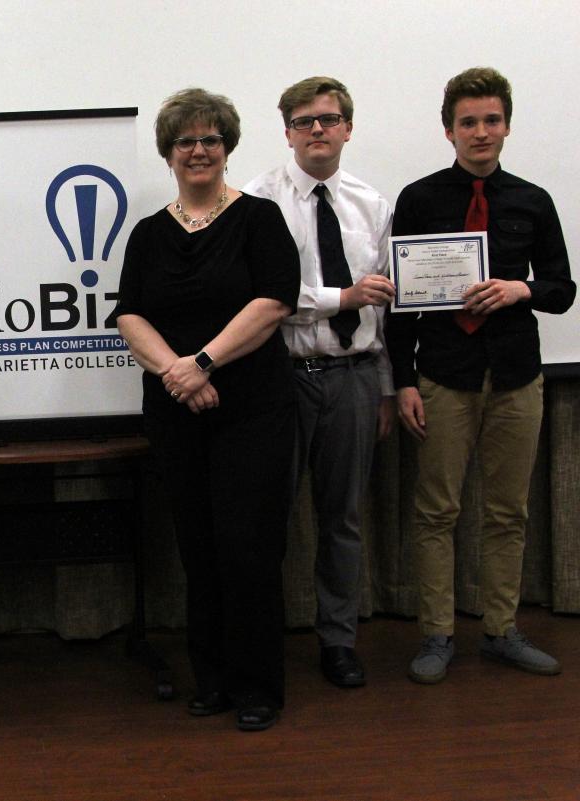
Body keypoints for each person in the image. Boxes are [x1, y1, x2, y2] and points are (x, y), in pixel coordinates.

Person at [115, 89, 299, 732]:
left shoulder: (259, 220)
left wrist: (204, 364)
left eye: (211, 139)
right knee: (199, 551)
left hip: (253, 411)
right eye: (186, 140)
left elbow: (275, 302)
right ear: (169, 151)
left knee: (248, 550)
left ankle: (258, 688)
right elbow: (128, 315)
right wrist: (177, 372)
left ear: (228, 148)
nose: (199, 149)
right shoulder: (146, 233)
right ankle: (213, 679)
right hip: (177, 412)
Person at [387, 67, 574, 684]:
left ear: (507, 127)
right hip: (444, 376)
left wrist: (522, 288)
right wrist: (404, 381)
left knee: (507, 512)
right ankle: (437, 634)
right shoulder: (418, 199)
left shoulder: (533, 200)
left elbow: (562, 290)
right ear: (449, 130)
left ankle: (501, 630)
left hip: (517, 377)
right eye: (468, 122)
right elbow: (401, 303)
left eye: (491, 120)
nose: (481, 132)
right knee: (437, 511)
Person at [244, 77, 394, 689]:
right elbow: (264, 293)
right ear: (286, 132)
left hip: (355, 377)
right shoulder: (257, 200)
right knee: (266, 517)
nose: (317, 131)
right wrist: (341, 297)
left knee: (343, 518)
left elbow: (382, 304)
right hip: (279, 380)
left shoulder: (372, 204)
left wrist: (384, 385)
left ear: (348, 128)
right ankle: (262, 640)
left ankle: (338, 640)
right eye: (304, 121)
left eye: (329, 120)